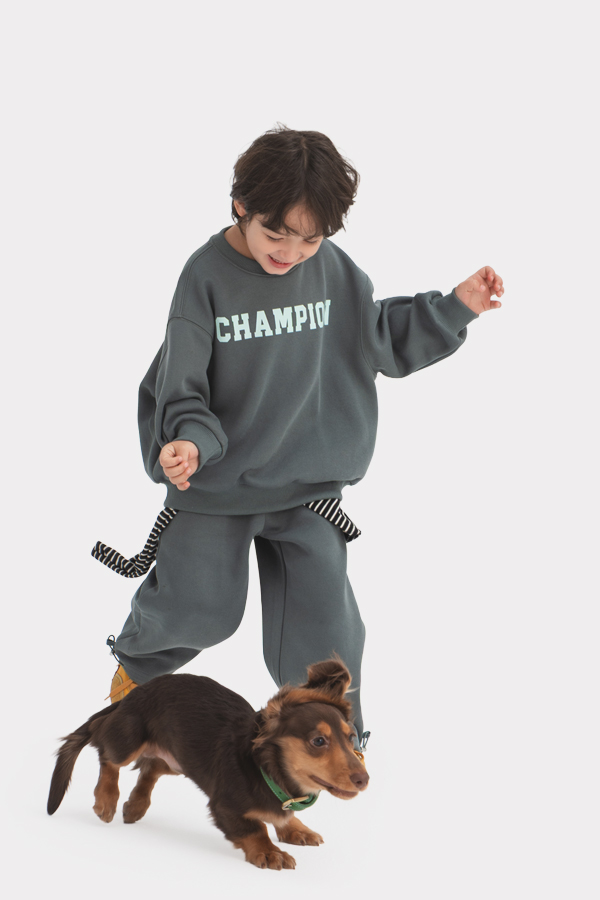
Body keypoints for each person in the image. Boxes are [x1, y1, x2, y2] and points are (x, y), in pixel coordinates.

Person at [105, 125, 504, 745]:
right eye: (276, 233)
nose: (291, 251)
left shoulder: (333, 271)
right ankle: (136, 669)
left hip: (308, 487)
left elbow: (379, 335)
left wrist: (455, 307)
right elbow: (182, 384)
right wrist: (188, 443)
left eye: (310, 238)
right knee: (200, 609)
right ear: (241, 206)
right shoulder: (205, 279)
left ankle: (328, 740)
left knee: (327, 634)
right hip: (216, 484)